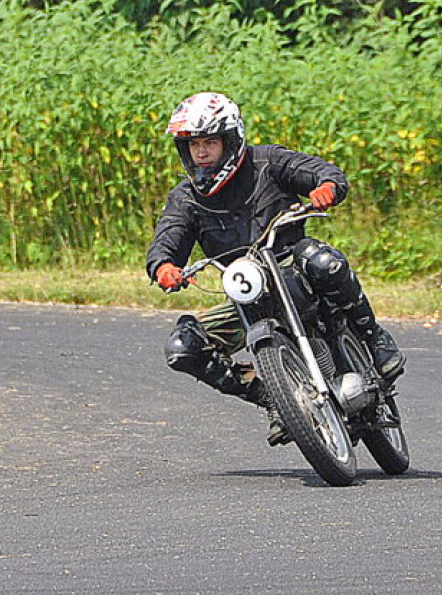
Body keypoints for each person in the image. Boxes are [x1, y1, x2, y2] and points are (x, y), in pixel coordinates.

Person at [146, 92, 404, 445]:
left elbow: (324, 174)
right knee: (183, 346)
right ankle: (275, 398)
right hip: (246, 290)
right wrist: (164, 267)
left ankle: (374, 338)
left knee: (323, 259)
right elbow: (168, 237)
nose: (201, 152)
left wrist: (327, 188)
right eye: (193, 144)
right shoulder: (186, 198)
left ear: (231, 139)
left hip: (293, 267)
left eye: (210, 142)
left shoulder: (268, 162)